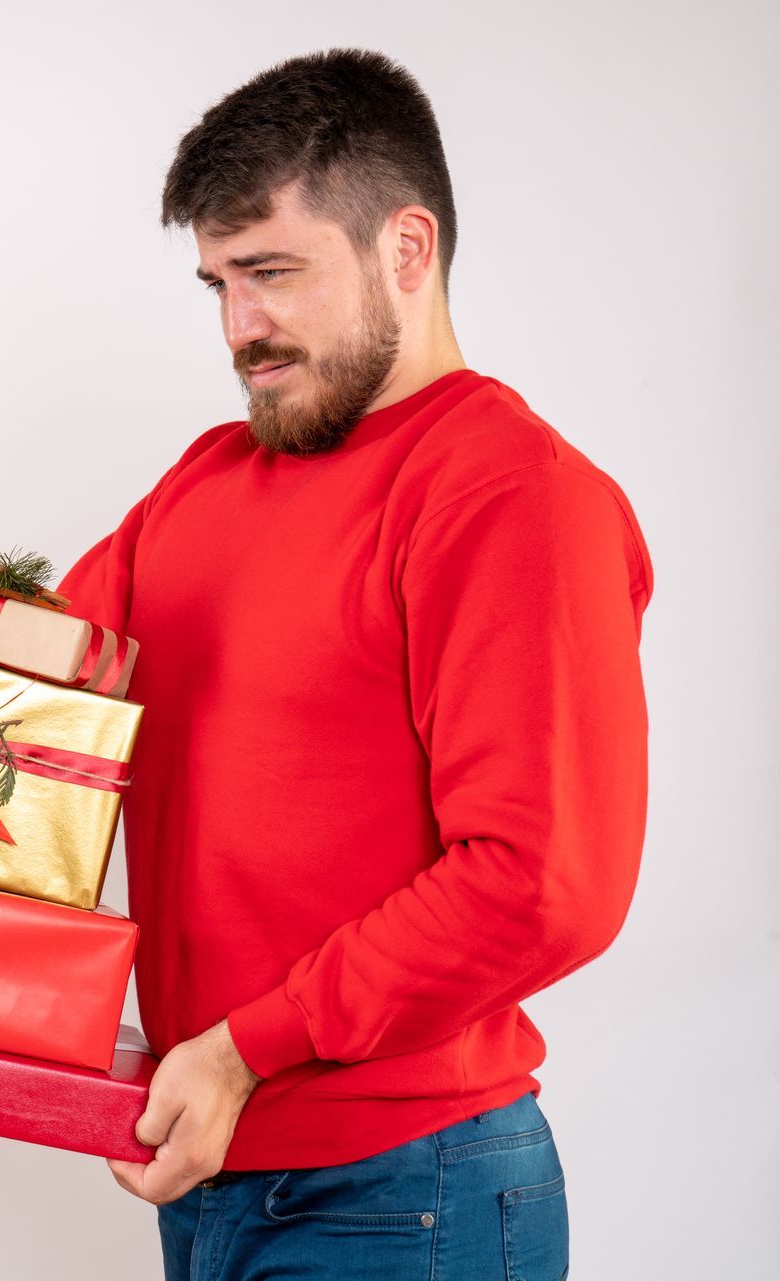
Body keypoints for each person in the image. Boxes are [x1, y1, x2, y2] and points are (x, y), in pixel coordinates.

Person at [59, 49, 651, 1280]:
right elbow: (14, 697)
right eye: (219, 282)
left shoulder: (514, 499)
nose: (238, 327)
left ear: (407, 250)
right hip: (211, 1175)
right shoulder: (205, 482)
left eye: (273, 273)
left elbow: (543, 881)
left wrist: (241, 1051)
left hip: (406, 1193)